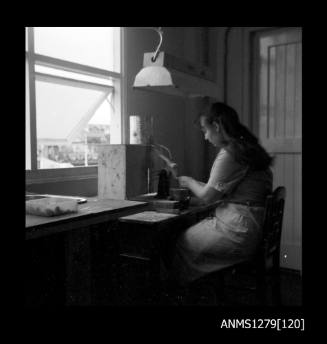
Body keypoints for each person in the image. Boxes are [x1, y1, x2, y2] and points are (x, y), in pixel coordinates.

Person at [170, 102, 273, 286]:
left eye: (205, 130)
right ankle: (200, 288)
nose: (205, 137)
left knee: (182, 241)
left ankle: (181, 291)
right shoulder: (247, 148)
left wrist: (188, 181)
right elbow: (217, 189)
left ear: (216, 126)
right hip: (251, 225)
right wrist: (197, 187)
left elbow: (208, 197)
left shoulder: (231, 154)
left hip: (239, 229)